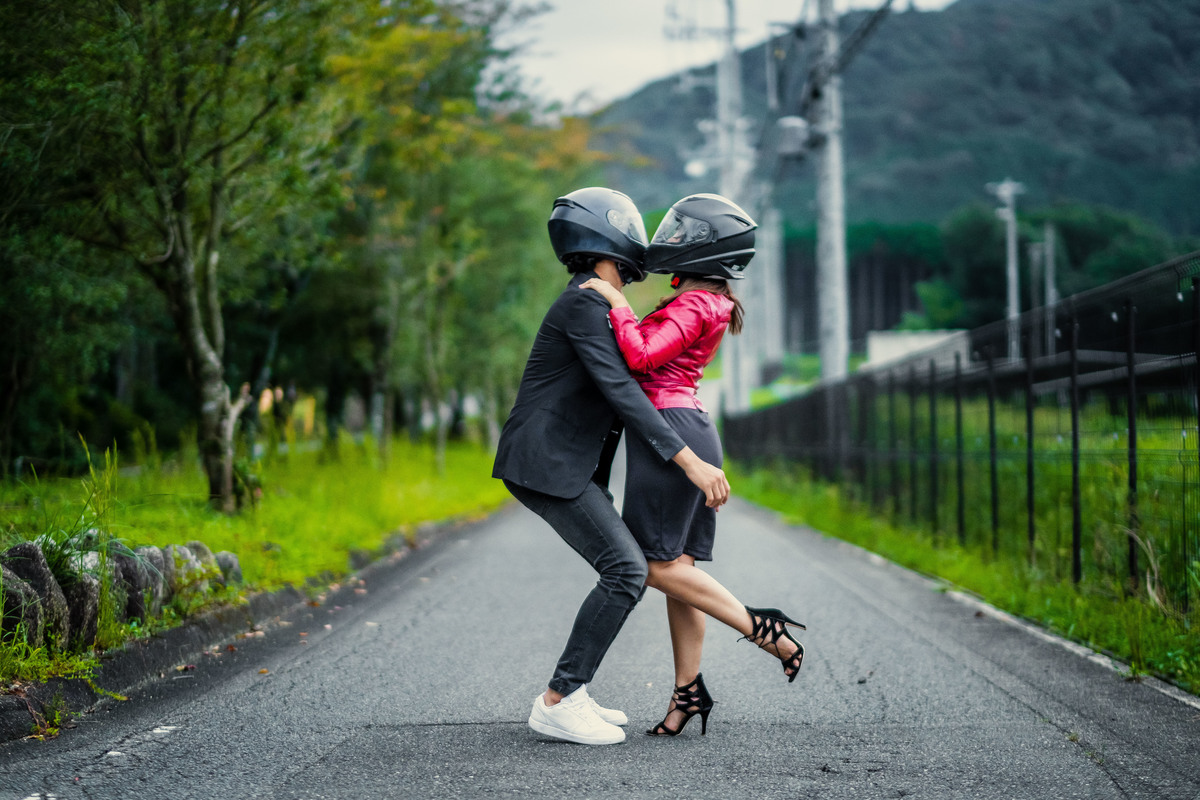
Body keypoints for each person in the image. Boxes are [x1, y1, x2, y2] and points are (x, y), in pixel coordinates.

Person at [492, 186, 731, 746]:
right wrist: (689, 461)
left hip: (563, 464)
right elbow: (626, 393)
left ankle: (571, 693)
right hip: (545, 464)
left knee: (626, 570)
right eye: (627, 228)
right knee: (627, 571)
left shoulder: (594, 301)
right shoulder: (587, 302)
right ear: (605, 238)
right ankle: (557, 700)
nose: (640, 242)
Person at [581, 193, 806, 737]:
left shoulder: (693, 304)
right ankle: (689, 693)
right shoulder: (712, 302)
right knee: (680, 570)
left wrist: (614, 301)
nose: (672, 239)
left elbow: (640, 357)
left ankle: (762, 628)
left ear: (710, 249)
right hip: (688, 426)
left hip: (670, 433)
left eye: (685, 233)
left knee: (651, 566)